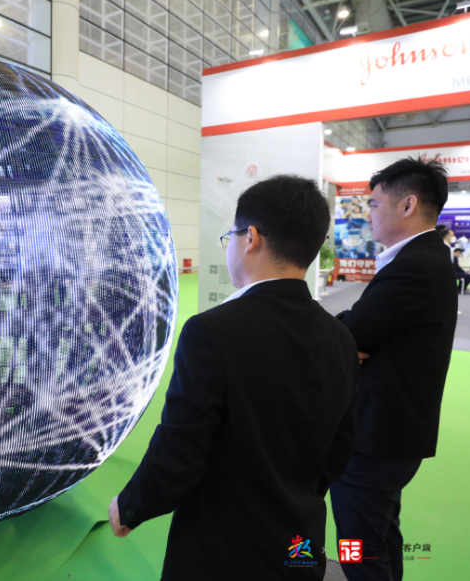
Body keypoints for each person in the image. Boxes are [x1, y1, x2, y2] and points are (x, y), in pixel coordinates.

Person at [109, 176, 358, 580]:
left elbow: (180, 450)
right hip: (300, 542)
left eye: (231, 236)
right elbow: (340, 450)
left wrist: (132, 505)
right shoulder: (340, 337)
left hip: (222, 548)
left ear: (251, 238)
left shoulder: (211, 331)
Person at [330, 158, 457, 581]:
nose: (368, 214)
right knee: (380, 538)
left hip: (378, 436)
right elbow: (359, 330)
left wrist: (347, 337)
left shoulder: (415, 266)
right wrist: (352, 337)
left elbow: (355, 331)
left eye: (373, 204)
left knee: (359, 551)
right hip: (391, 432)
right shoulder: (424, 257)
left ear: (407, 205)